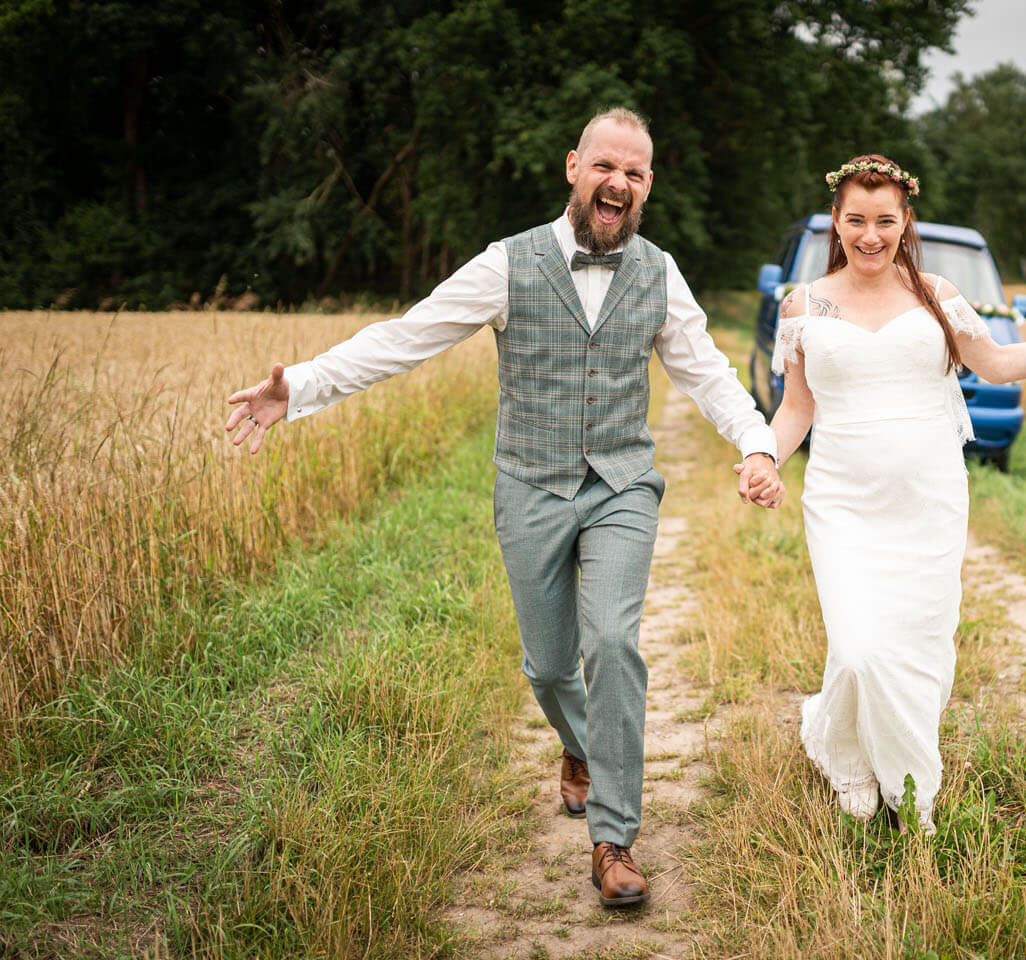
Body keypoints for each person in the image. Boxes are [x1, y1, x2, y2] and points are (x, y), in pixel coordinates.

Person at [224, 107, 784, 907]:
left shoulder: (660, 274)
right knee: (551, 665)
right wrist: (303, 385)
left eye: (634, 172)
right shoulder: (507, 265)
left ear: (647, 185)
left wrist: (756, 443)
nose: (617, 182)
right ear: (573, 168)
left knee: (614, 642)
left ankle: (615, 838)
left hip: (622, 484)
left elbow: (708, 373)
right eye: (604, 166)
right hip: (529, 485)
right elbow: (405, 337)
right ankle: (579, 747)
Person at [766, 155, 1026, 830]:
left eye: (885, 220)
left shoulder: (936, 295)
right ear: (837, 223)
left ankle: (908, 794)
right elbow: (797, 408)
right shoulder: (806, 304)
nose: (870, 234)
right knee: (856, 647)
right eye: (856, 220)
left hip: (927, 501)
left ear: (906, 221)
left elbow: (995, 364)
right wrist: (762, 457)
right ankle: (846, 757)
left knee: (915, 646)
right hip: (842, 501)